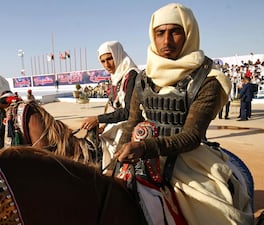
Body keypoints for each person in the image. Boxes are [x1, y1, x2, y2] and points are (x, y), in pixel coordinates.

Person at [114, 3, 252, 224]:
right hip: (141, 155)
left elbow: (191, 136)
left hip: (189, 158)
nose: (166, 41)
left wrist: (144, 147)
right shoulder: (143, 77)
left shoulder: (208, 78)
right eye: (160, 33)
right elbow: (133, 121)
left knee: (220, 213)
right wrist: (119, 153)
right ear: (153, 35)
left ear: (188, 33)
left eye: (175, 32)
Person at [80, 40, 139, 171]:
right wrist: (103, 125)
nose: (107, 64)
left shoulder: (131, 75)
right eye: (103, 61)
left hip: (131, 123)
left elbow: (128, 111)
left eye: (110, 59)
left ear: (118, 55)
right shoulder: (116, 77)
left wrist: (98, 119)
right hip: (119, 123)